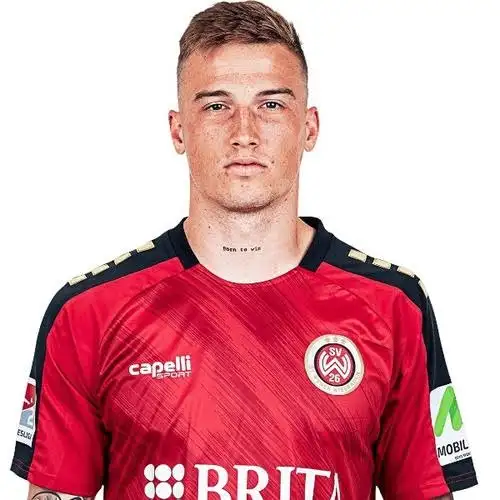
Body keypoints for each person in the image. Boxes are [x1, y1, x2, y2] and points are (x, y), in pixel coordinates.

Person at [11, 1, 478, 499]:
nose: (244, 134)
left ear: (310, 127)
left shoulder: (394, 307)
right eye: (217, 106)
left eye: (271, 105)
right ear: (177, 130)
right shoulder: (88, 314)